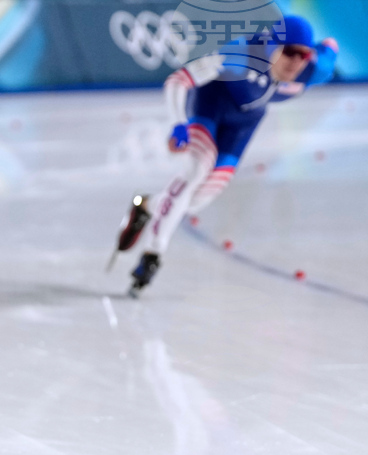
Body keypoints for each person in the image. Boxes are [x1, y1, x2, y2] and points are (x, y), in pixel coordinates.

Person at [112, 15, 338, 296]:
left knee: (194, 202)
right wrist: (178, 124)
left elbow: (330, 49)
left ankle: (146, 207)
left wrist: (327, 47)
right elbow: (178, 80)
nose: (297, 62)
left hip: (244, 123)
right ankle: (153, 255)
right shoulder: (240, 54)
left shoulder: (314, 69)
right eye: (290, 52)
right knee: (195, 170)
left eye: (304, 55)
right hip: (211, 105)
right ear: (270, 46)